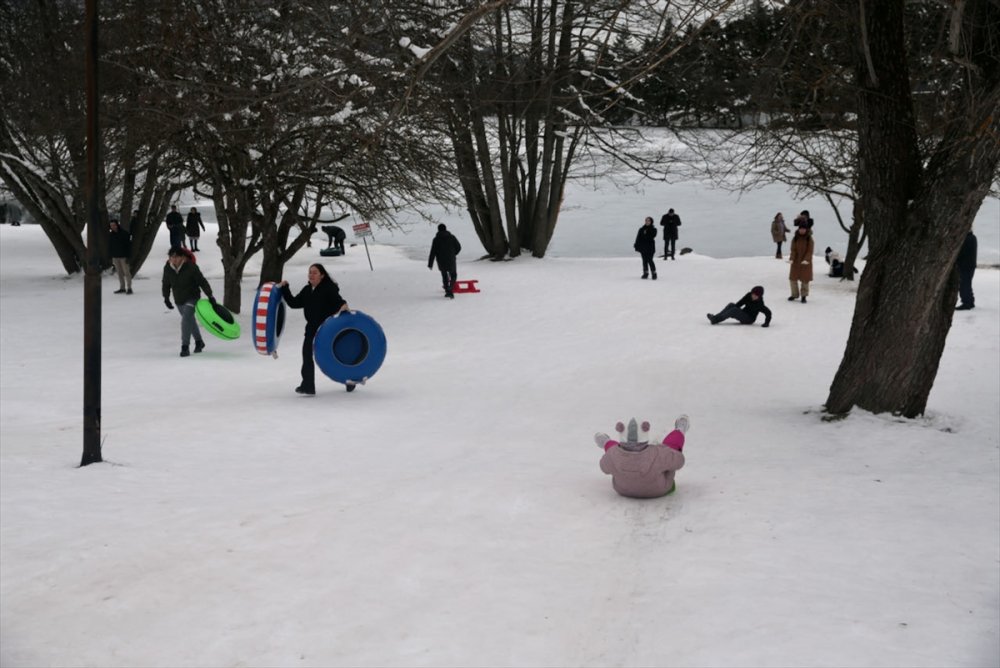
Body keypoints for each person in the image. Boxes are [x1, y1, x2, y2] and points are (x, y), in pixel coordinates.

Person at [280, 264, 350, 395]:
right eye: (310, 272)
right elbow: (294, 303)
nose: (311, 275)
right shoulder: (307, 290)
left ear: (322, 275)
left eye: (314, 272)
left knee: (336, 356)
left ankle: (349, 379)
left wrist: (343, 305)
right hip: (312, 328)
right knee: (307, 354)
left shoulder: (328, 288)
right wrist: (285, 288)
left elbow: (339, 302)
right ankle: (308, 386)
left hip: (328, 329)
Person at [595, 416, 689, 498]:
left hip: (623, 490)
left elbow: (603, 467)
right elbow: (680, 461)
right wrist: (666, 451)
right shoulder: (659, 453)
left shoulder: (612, 454)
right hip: (659, 490)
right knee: (671, 446)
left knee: (614, 451)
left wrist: (612, 456)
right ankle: (679, 430)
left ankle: (606, 442)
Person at [162, 246, 215, 357]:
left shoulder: (191, 267)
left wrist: (210, 295)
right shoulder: (167, 268)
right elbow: (166, 284)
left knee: (186, 319)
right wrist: (166, 298)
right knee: (190, 320)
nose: (174, 259)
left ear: (182, 257)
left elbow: (202, 281)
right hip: (179, 299)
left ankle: (185, 346)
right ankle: (199, 342)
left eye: (176, 257)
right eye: (171, 257)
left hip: (192, 297)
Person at [706, 285, 772, 326]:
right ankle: (715, 317)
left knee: (734, 310)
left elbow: (768, 313)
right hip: (743, 313)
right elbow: (741, 302)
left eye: (756, 296)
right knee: (731, 304)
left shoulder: (760, 304)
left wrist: (766, 323)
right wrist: (733, 307)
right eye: (753, 294)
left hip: (749, 319)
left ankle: (716, 320)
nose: (753, 296)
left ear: (759, 296)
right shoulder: (749, 295)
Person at [428, 223, 462, 298]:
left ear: (438, 230)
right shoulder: (452, 237)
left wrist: (430, 264)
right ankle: (450, 288)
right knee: (453, 275)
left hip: (441, 261)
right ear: (446, 229)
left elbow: (432, 252)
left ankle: (447, 290)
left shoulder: (436, 239)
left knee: (444, 275)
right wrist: (454, 254)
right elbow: (459, 247)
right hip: (451, 259)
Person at [788, 222, 814, 302]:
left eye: (803, 229)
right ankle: (794, 294)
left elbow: (810, 251)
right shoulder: (795, 238)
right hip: (796, 262)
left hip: (806, 263)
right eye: (800, 229)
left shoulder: (809, 239)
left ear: (806, 230)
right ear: (798, 229)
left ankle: (804, 296)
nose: (802, 230)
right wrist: (792, 259)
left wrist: (806, 259)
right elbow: (793, 250)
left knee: (805, 280)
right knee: (793, 279)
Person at [108, 218, 133, 294]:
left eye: (114, 225)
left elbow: (128, 246)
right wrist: (111, 255)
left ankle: (129, 288)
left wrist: (128, 256)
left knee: (126, 272)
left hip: (123, 256)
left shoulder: (124, 234)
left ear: (117, 225)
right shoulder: (111, 235)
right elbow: (110, 246)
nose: (112, 227)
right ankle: (122, 287)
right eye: (111, 225)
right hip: (115, 257)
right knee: (119, 273)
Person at [956, 230, 977, 310]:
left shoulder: (966, 239)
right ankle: (970, 301)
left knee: (964, 285)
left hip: (965, 265)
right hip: (970, 265)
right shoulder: (973, 237)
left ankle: (967, 303)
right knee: (967, 284)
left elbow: (962, 253)